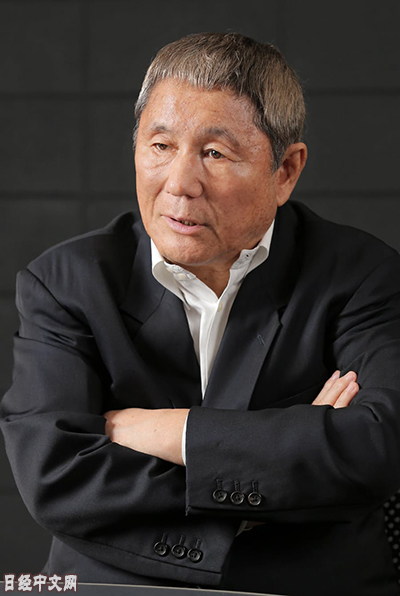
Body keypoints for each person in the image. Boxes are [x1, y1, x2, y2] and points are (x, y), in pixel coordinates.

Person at [1, 32, 400, 596]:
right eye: (160, 145)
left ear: (285, 170)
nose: (179, 184)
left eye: (214, 153)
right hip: (114, 585)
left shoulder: (362, 275)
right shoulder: (67, 282)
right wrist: (279, 471)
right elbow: (55, 476)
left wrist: (160, 430)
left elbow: (378, 448)